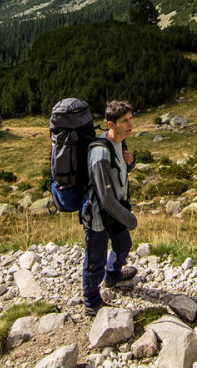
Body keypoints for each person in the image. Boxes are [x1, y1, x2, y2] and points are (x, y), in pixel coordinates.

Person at [82, 100, 138, 316]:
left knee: (123, 244)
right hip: (98, 215)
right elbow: (104, 195)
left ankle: (112, 276)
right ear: (111, 124)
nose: (130, 123)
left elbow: (119, 173)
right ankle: (91, 301)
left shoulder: (120, 143)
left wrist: (130, 163)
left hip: (115, 211)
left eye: (131, 118)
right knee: (96, 259)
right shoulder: (100, 152)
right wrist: (129, 219)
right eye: (124, 121)